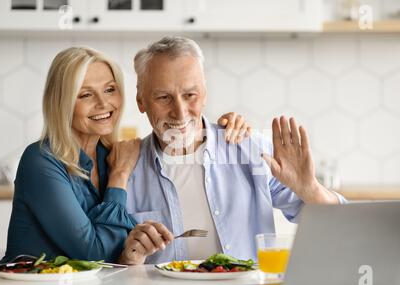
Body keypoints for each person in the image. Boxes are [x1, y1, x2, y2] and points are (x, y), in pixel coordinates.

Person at [0, 46, 251, 264]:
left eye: (109, 89)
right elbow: (93, 253)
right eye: (86, 94)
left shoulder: (111, 155)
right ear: (61, 102)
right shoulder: (41, 161)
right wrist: (118, 177)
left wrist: (223, 132)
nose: (103, 103)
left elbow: (119, 255)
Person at [119, 36, 346, 265]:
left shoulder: (250, 149)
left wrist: (311, 189)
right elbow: (109, 269)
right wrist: (129, 258)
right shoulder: (125, 169)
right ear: (141, 100)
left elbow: (341, 224)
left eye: (190, 95)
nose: (179, 112)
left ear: (205, 93)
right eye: (163, 97)